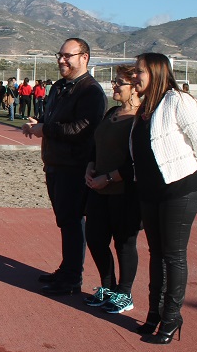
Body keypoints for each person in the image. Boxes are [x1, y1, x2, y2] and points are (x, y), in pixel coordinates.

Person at [132, 53, 197, 344]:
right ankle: (154, 314)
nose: (134, 76)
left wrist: (192, 171)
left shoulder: (177, 101)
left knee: (173, 257)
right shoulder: (147, 106)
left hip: (178, 192)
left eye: (139, 71)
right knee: (157, 255)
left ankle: (171, 318)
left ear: (155, 72)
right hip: (151, 192)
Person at [22, 38, 107, 295]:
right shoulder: (59, 87)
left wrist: (44, 129)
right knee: (64, 220)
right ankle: (67, 269)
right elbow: (55, 120)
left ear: (84, 58)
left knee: (72, 221)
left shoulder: (91, 91)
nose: (61, 60)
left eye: (67, 56)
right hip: (55, 163)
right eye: (59, 55)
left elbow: (82, 128)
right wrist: (40, 123)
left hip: (74, 165)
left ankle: (72, 278)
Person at [82, 65, 142, 315]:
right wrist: (90, 166)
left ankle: (125, 293)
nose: (114, 86)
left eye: (119, 83)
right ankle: (108, 286)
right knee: (95, 239)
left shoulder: (141, 119)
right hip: (98, 189)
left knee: (124, 244)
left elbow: (137, 161)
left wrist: (108, 178)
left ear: (134, 87)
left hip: (125, 192)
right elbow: (96, 147)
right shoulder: (112, 112)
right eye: (114, 82)